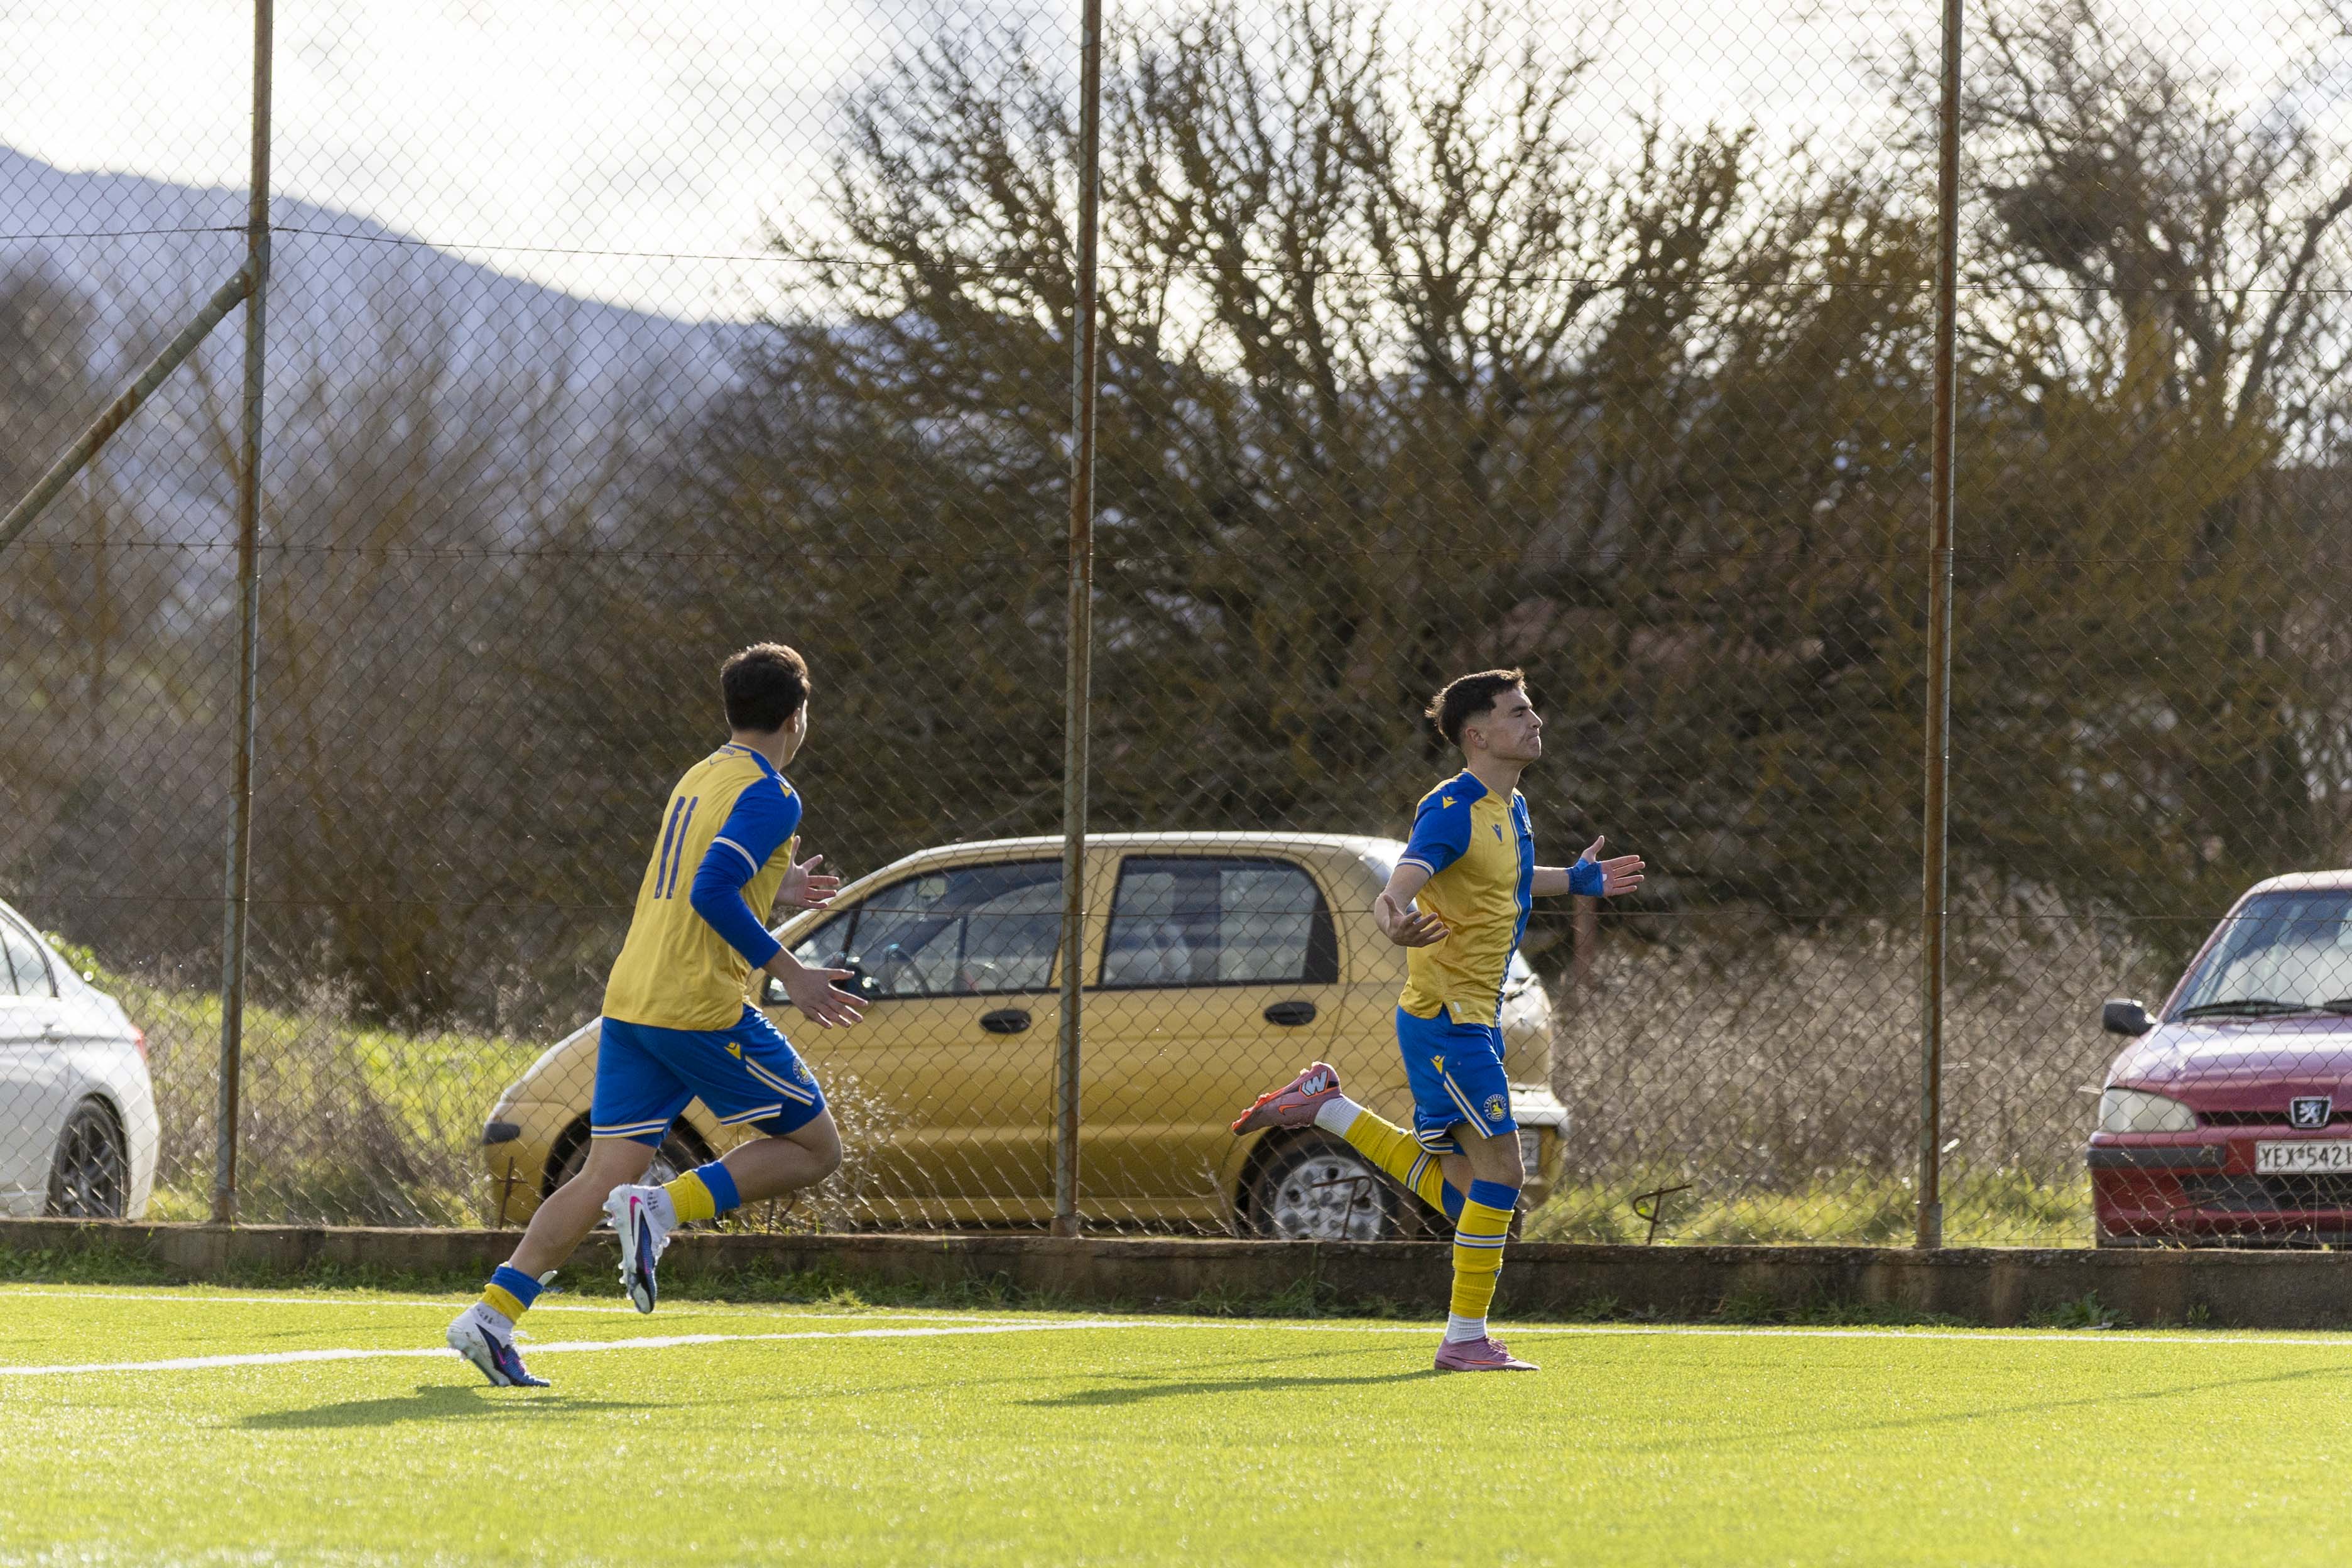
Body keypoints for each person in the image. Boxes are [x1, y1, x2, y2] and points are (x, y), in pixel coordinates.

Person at [446, 642, 868, 1387]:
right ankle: (661, 1209)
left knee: (602, 1172)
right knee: (815, 1148)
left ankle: (491, 1316)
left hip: (635, 998)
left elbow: (705, 879)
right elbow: (709, 891)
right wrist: (791, 972)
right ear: (796, 718)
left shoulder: (701, 775)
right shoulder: (774, 794)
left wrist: (774, 887)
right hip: (696, 1006)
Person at [1232, 668, 1642, 1373]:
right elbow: (1400, 886)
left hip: (1468, 1019)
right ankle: (1463, 1339)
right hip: (1448, 1022)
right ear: (1476, 734)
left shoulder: (1510, 806)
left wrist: (1577, 880)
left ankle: (1328, 1109)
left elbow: (1506, 879)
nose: (1535, 721)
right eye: (1517, 713)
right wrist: (1392, 920)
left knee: (1465, 1195)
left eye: (1532, 710)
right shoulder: (1451, 808)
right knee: (1503, 1177)